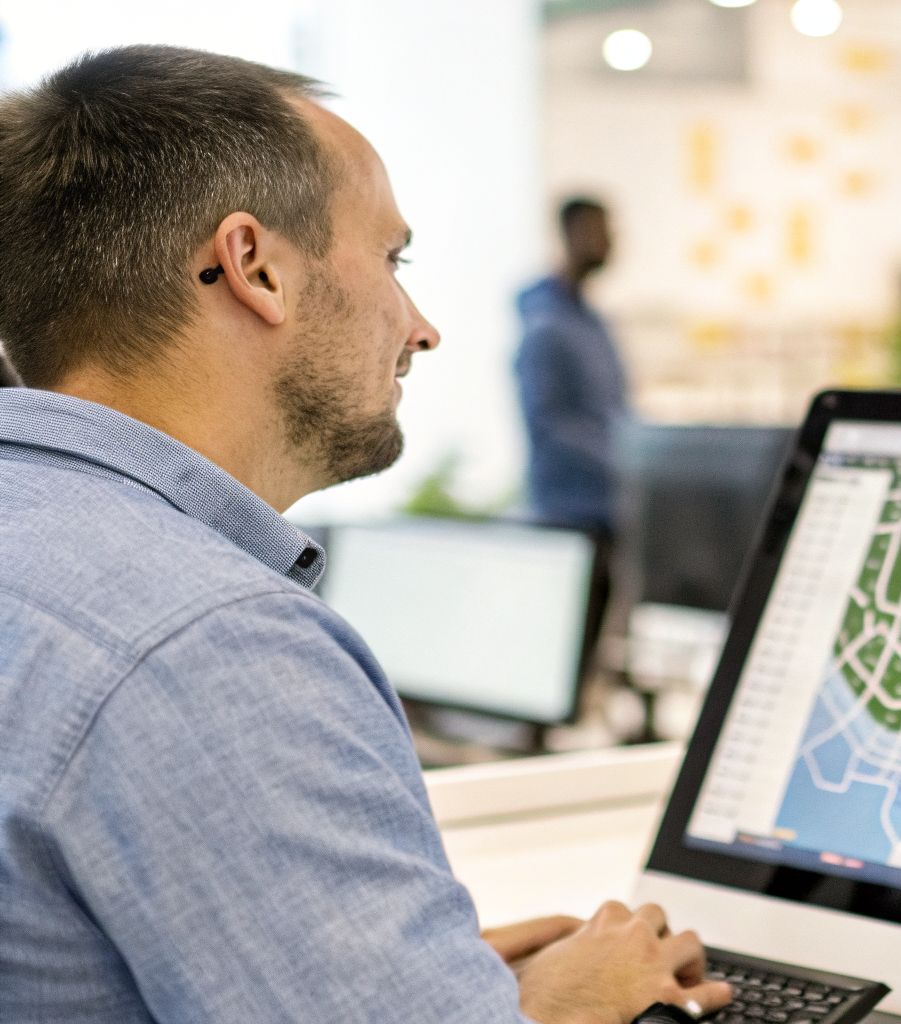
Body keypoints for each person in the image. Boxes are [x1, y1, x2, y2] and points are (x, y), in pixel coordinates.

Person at [0, 46, 729, 1024]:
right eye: (392, 261)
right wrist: (568, 1004)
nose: (420, 327)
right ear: (254, 267)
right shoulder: (213, 645)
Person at [514, 197, 632, 538]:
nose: (610, 241)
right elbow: (548, 421)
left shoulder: (594, 323)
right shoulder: (546, 325)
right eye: (601, 230)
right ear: (572, 234)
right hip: (567, 517)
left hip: (610, 508)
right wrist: (626, 461)